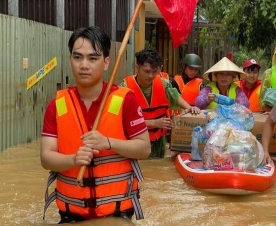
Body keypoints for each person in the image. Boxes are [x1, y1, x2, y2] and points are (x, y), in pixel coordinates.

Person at [40, 26, 151, 223]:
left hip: (117, 213)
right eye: (77, 57)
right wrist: (73, 160)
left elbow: (144, 149)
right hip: (71, 214)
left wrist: (108, 142)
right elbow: (46, 158)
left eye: (92, 58)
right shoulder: (56, 106)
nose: (84, 65)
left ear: (106, 62)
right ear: (70, 60)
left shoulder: (126, 101)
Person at [120, 49, 201, 159]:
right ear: (137, 68)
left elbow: (176, 98)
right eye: (147, 71)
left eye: (154, 71)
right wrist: (153, 122)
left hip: (158, 142)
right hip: (135, 141)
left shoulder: (164, 84)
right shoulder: (124, 88)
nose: (151, 76)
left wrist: (191, 108)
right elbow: (121, 120)